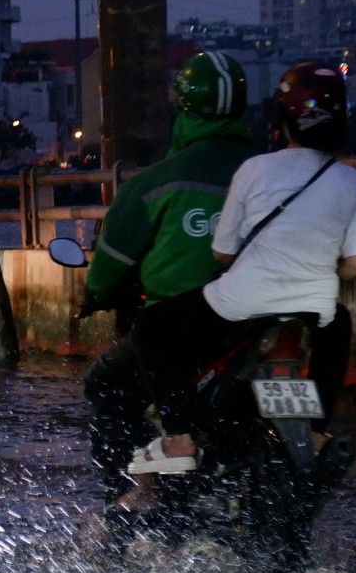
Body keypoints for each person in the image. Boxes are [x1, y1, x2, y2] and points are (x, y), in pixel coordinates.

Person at [114, 60, 356, 511]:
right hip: (312, 307)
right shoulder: (351, 181)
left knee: (152, 327)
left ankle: (178, 438)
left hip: (239, 305)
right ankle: (314, 432)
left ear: (281, 118)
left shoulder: (255, 169)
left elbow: (221, 253)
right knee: (337, 326)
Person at [81, 49, 259, 505]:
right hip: (268, 321)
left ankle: (140, 492)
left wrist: (96, 294)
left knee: (106, 384)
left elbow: (108, 267)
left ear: (182, 109)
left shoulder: (158, 182)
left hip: (183, 331)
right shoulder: (271, 174)